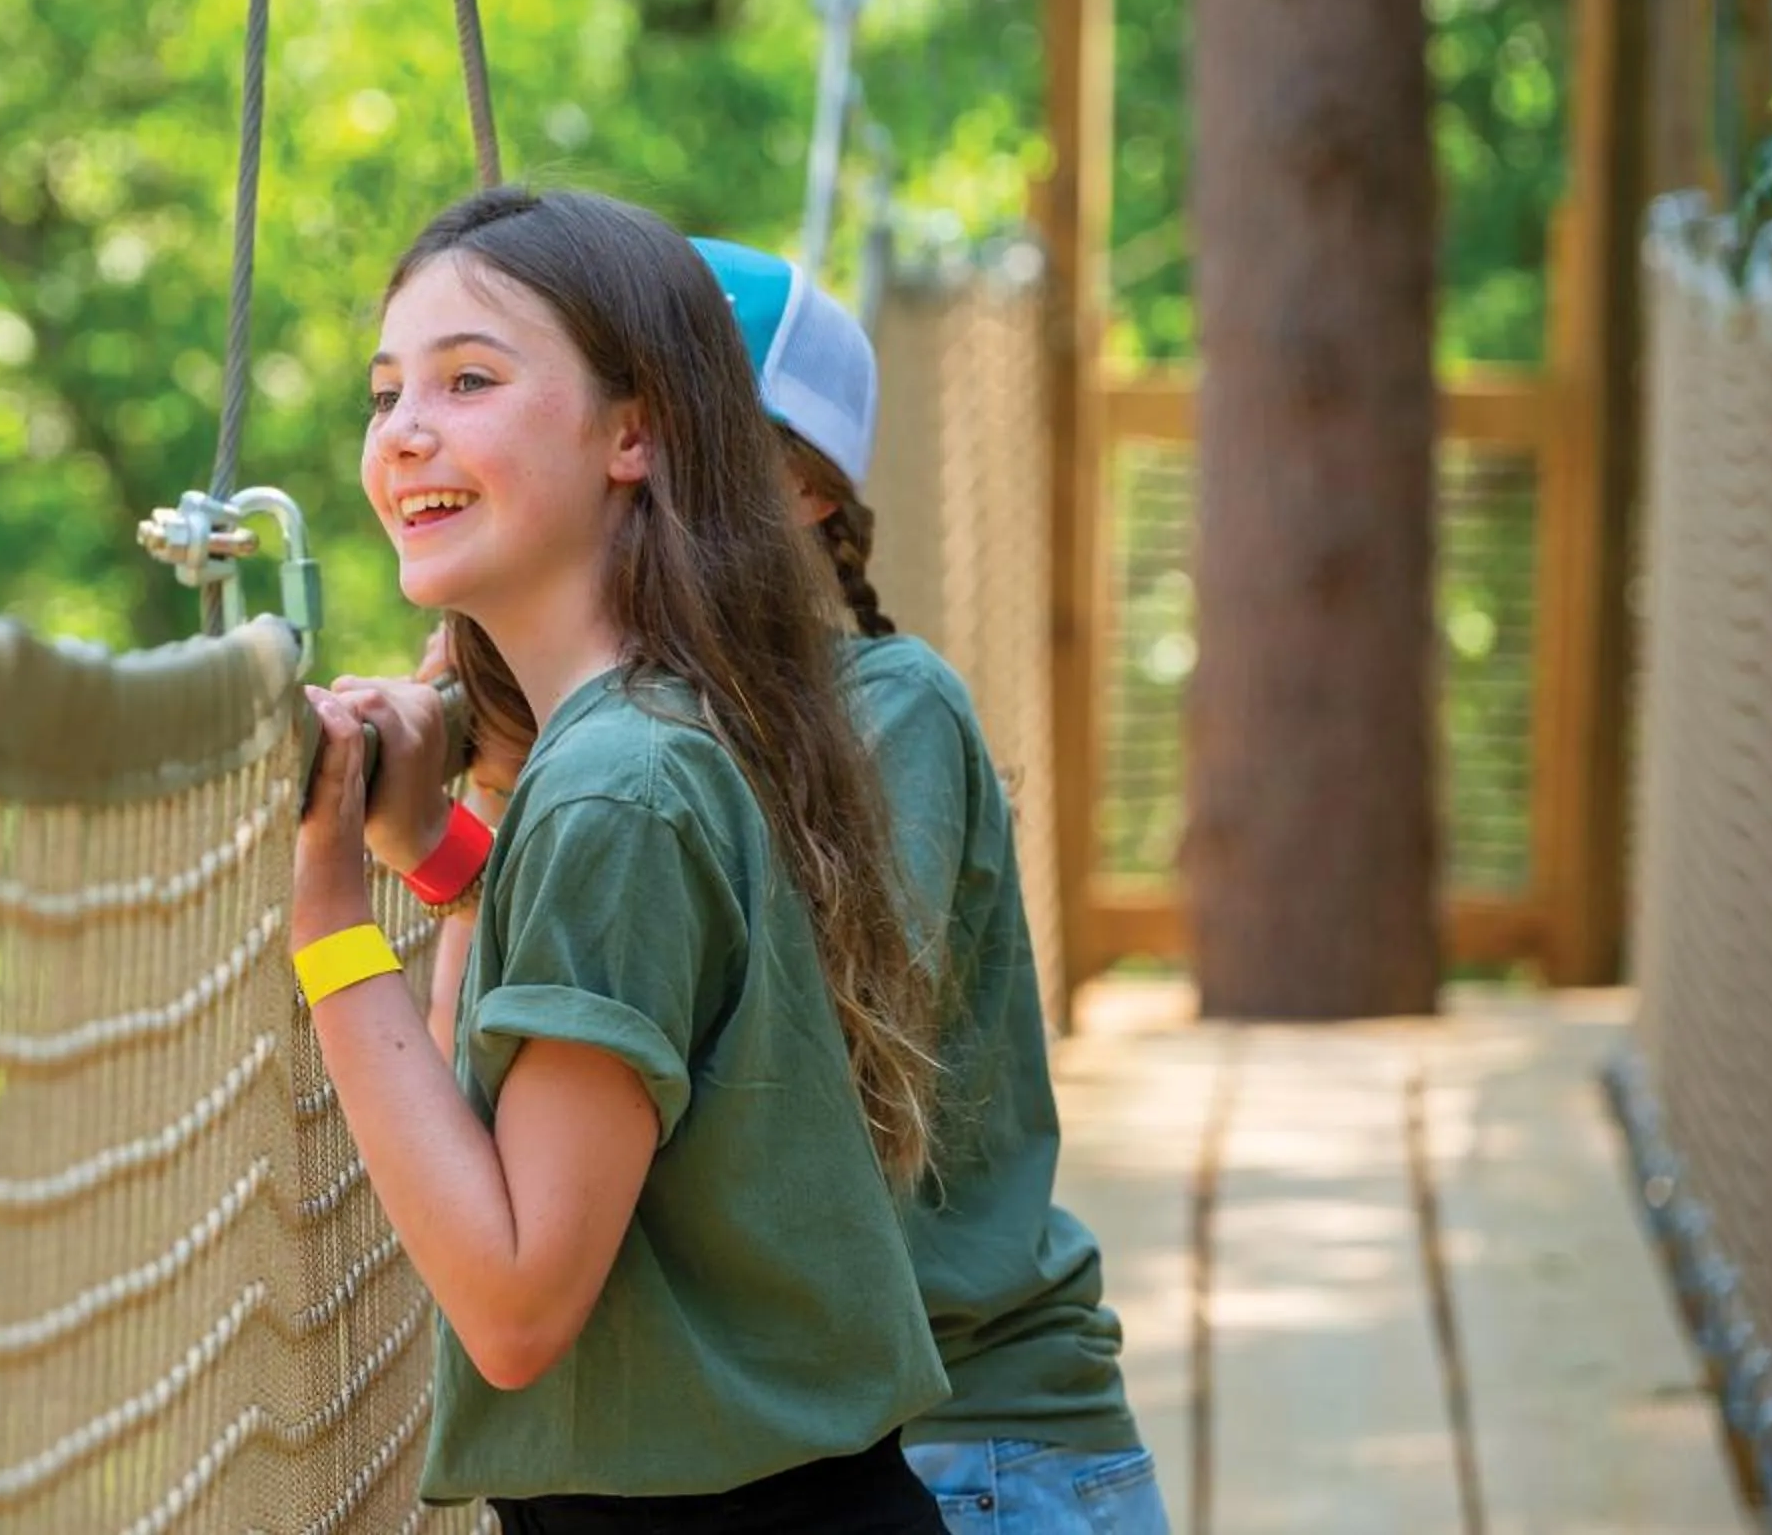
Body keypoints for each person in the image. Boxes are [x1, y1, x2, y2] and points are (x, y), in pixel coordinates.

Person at [291, 183, 953, 1532]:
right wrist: (442, 858)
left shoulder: (621, 787)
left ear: (633, 432)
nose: (406, 430)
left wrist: (325, 922)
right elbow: (498, 1131)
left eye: (469, 379)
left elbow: (519, 1302)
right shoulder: (636, 744)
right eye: (385, 393)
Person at [690, 236, 1172, 1535]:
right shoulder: (613, 731)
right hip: (827, 1454)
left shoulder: (885, 714)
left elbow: (814, 1086)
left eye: (666, 427)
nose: (619, 461)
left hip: (974, 1455)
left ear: (803, 484)